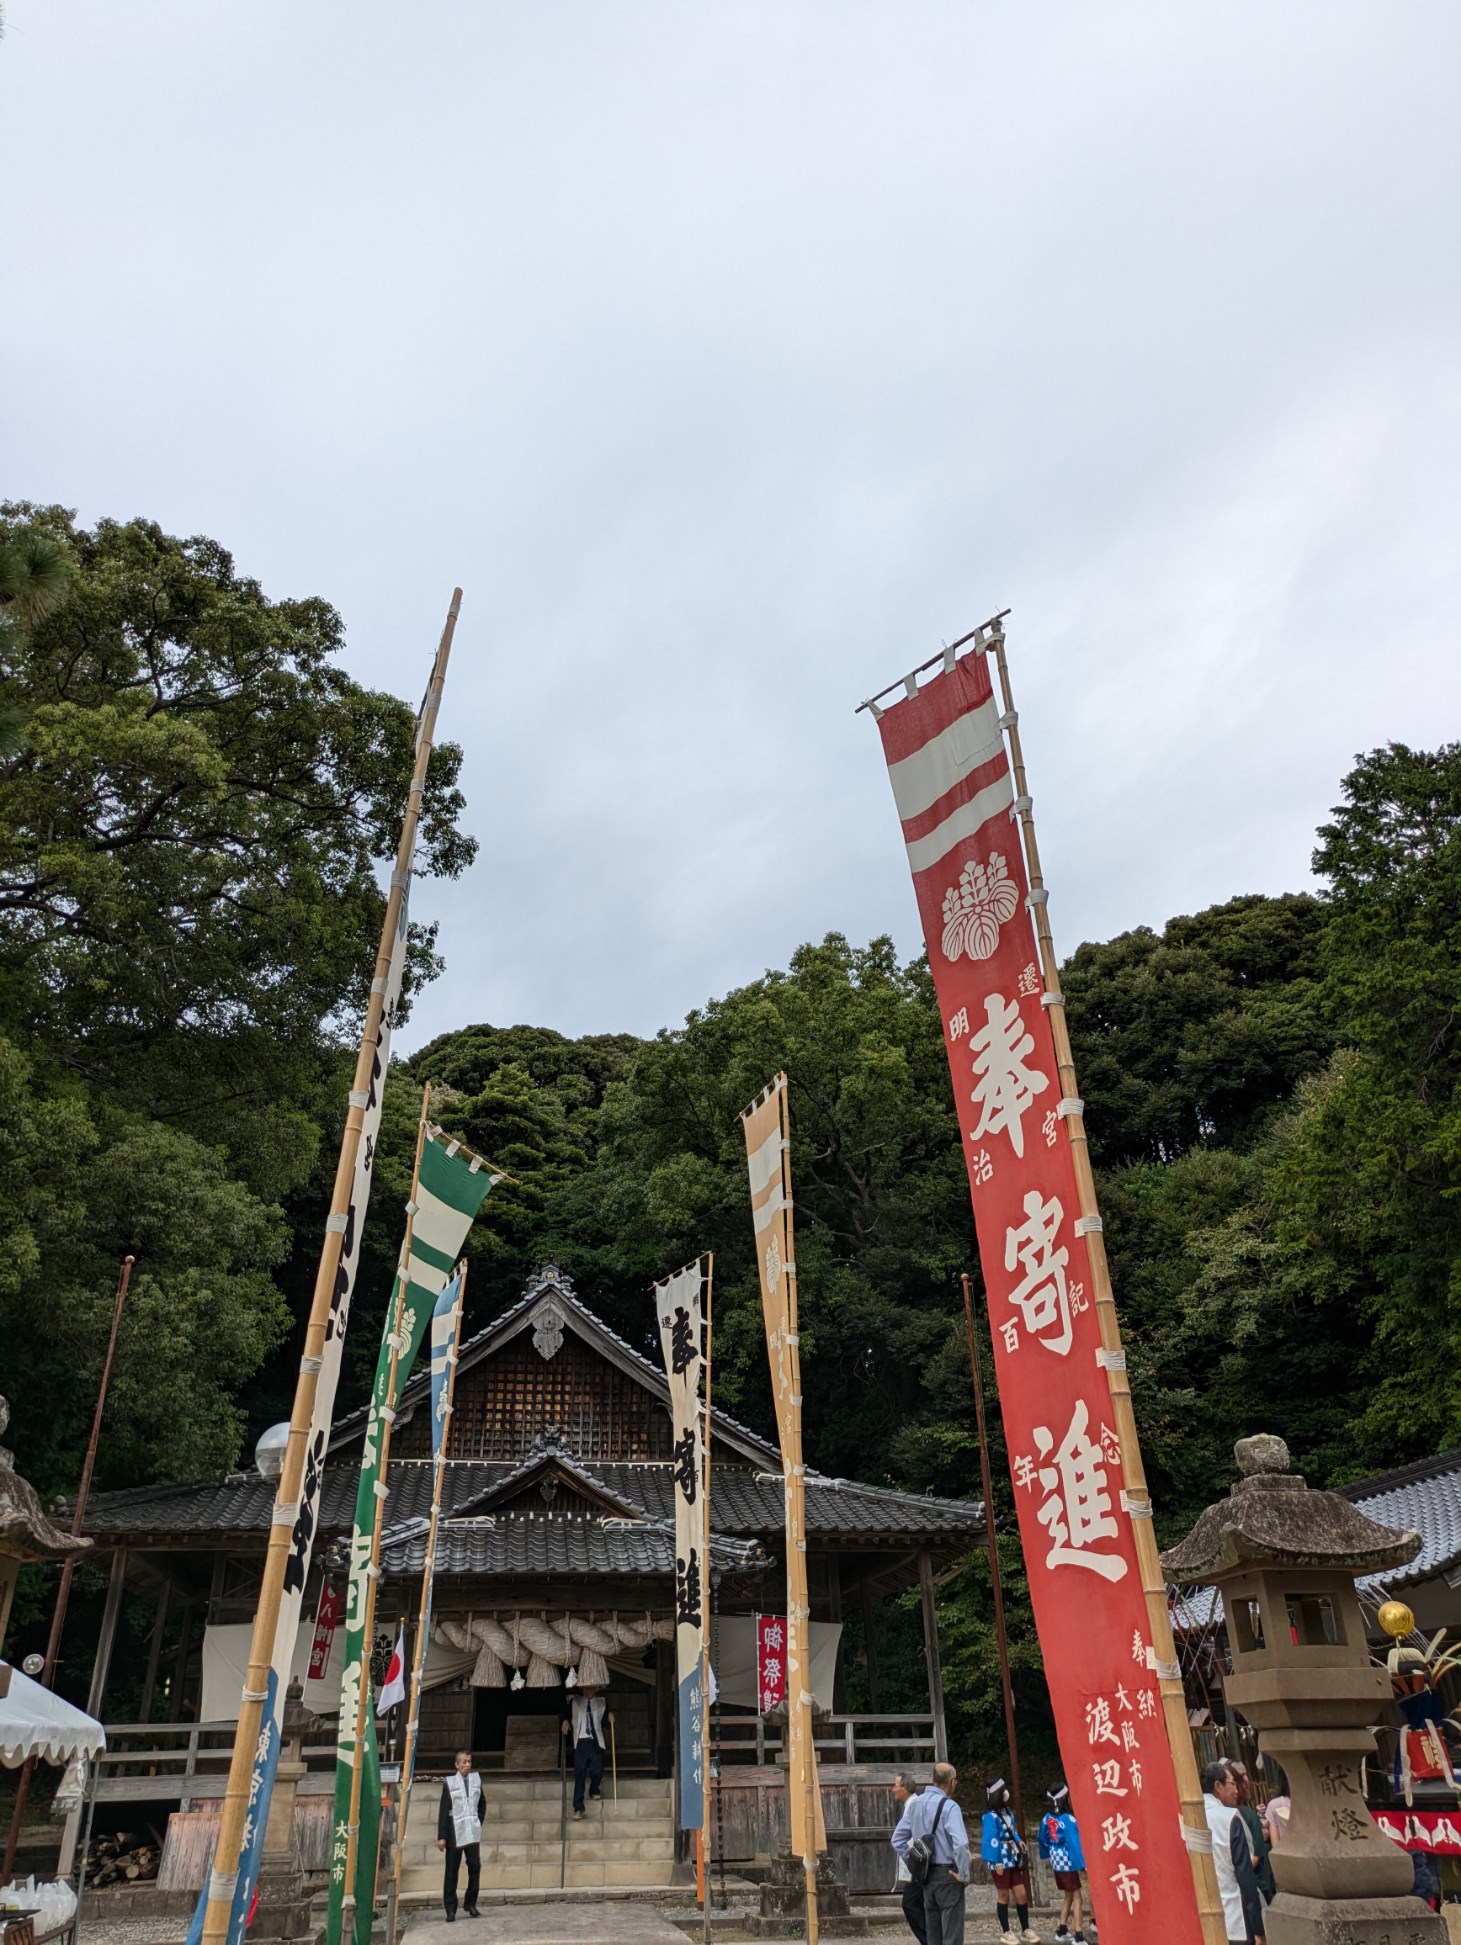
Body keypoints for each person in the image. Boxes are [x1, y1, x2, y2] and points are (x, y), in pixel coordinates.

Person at [892, 1761, 971, 1945]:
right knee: (951, 1934)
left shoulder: (915, 1804)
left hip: (926, 1875)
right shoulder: (950, 1807)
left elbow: (897, 1839)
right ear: (952, 1782)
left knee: (933, 1935)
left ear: (933, 1779)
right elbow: (960, 1844)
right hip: (948, 1874)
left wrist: (914, 1862)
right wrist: (964, 1873)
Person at [1203, 1759, 1265, 1945]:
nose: (1237, 1790)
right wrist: (1257, 1927)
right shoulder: (1229, 1818)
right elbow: (1244, 1875)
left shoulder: (1186, 1817)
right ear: (1218, 1786)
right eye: (1232, 1783)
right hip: (1234, 1916)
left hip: (1201, 1919)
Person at [982, 1778, 1039, 1945]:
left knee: (1021, 1894)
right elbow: (991, 1839)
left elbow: (1011, 1830)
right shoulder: (989, 1816)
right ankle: (1006, 1931)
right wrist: (997, 1861)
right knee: (1004, 1895)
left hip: (1011, 1856)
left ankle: (1025, 1929)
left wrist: (1018, 1839)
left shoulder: (1007, 1812)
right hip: (999, 1857)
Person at [436, 1747, 484, 1922]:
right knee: (452, 1870)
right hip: (454, 1831)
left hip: (471, 1830)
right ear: (457, 1765)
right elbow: (443, 1810)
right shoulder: (449, 1783)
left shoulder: (476, 1780)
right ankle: (450, 1908)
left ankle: (470, 1903)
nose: (467, 1764)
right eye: (464, 1762)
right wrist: (441, 1836)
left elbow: (482, 1804)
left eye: (469, 1761)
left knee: (475, 1866)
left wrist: (478, 1821)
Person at [1037, 1783, 1086, 1943]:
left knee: (1068, 1895)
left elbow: (1042, 1838)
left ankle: (1062, 1928)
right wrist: (1082, 1866)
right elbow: (1074, 1844)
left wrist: (1047, 1853)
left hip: (1056, 1860)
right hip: (1068, 1861)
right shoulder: (1068, 1819)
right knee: (1078, 1896)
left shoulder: (1047, 1817)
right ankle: (1078, 1935)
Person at [560, 1683, 614, 1817]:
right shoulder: (575, 1701)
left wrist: (610, 1718)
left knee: (597, 1769)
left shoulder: (602, 1704)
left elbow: (606, 1724)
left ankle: (594, 1789)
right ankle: (578, 1807)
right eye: (585, 1688)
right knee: (579, 1774)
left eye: (591, 1688)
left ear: (595, 1689)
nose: (588, 1691)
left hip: (595, 1741)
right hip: (581, 1742)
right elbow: (564, 1714)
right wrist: (565, 1721)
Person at [891, 1772, 929, 1945]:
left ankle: (928, 1940)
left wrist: (912, 1865)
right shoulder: (913, 1804)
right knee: (918, 1904)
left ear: (904, 1788)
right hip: (920, 1863)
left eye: (896, 1786)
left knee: (911, 1904)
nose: (893, 1790)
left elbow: (901, 1840)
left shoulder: (914, 1805)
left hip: (919, 1863)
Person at [1229, 1762, 1276, 1902]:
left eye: (1246, 1774)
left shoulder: (1247, 1813)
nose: (1246, 1780)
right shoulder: (1235, 1813)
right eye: (1241, 1776)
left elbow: (1256, 1855)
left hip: (1255, 1881)